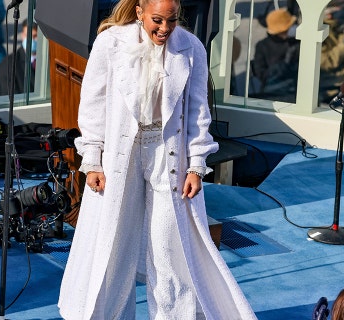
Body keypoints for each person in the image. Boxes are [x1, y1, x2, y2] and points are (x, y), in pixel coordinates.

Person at [57, 0, 258, 319]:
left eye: (172, 20)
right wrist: (92, 160)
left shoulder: (191, 48)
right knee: (113, 244)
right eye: (157, 20)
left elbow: (198, 112)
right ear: (139, 12)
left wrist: (196, 166)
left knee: (170, 247)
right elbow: (93, 105)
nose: (164, 28)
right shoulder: (110, 43)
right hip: (120, 155)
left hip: (169, 155)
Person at [252, 8, 300, 103]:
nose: (293, 28)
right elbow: (261, 74)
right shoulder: (262, 46)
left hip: (296, 89)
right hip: (273, 93)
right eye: (290, 26)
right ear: (282, 30)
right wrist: (283, 64)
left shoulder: (296, 42)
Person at [319, 0, 344, 105]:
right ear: (328, 14)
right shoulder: (320, 30)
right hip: (330, 89)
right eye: (340, 9)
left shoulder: (340, 26)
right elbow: (325, 62)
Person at [0, 18, 37, 96]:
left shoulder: (48, 60)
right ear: (22, 35)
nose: (31, 40)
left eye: (35, 36)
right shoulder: (9, 64)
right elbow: (9, 96)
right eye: (27, 35)